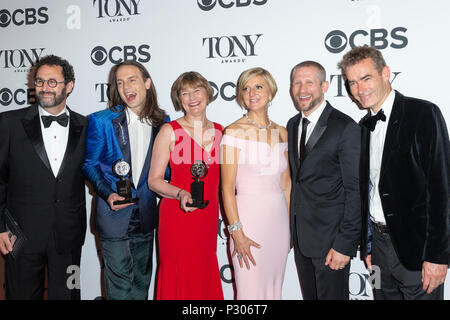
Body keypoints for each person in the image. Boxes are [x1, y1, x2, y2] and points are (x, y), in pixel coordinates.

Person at [338, 45, 450, 300]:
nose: (359, 90)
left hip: (417, 251)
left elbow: (442, 190)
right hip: (377, 251)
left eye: (366, 78)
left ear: (385, 73)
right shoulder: (363, 126)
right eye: (352, 83)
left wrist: (437, 255)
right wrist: (367, 245)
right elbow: (368, 191)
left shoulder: (422, 114)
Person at [0, 55, 87, 299]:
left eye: (52, 82)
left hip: (68, 235)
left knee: (69, 296)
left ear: (69, 86)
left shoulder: (86, 126)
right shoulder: (9, 122)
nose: (44, 88)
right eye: (39, 82)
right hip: (20, 235)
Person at [83, 61, 168, 300]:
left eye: (132, 79)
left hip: (147, 216)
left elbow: (166, 172)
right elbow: (89, 165)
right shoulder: (101, 121)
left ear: (147, 83)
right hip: (114, 217)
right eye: (119, 82)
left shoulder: (164, 123)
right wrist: (108, 193)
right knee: (120, 290)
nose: (126, 87)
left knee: (141, 285)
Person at [287, 61, 361, 300]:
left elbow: (355, 190)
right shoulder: (293, 124)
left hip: (332, 243)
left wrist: (344, 245)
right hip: (302, 241)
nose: (302, 89)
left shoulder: (345, 126)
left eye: (309, 82)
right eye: (297, 83)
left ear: (324, 86)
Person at [148, 71, 224, 300]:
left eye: (197, 90)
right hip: (177, 218)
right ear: (179, 99)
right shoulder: (169, 130)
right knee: (177, 274)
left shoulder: (222, 131)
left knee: (204, 271)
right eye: (185, 93)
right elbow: (154, 180)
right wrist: (180, 192)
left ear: (207, 94)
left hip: (207, 218)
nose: (192, 97)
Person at [220, 67, 291, 300]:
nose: (252, 93)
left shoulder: (282, 132)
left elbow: (286, 184)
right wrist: (237, 233)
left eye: (258, 86)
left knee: (274, 290)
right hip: (248, 223)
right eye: (246, 88)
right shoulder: (233, 132)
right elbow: (227, 189)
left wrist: (291, 227)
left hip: (278, 224)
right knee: (249, 292)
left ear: (270, 92)